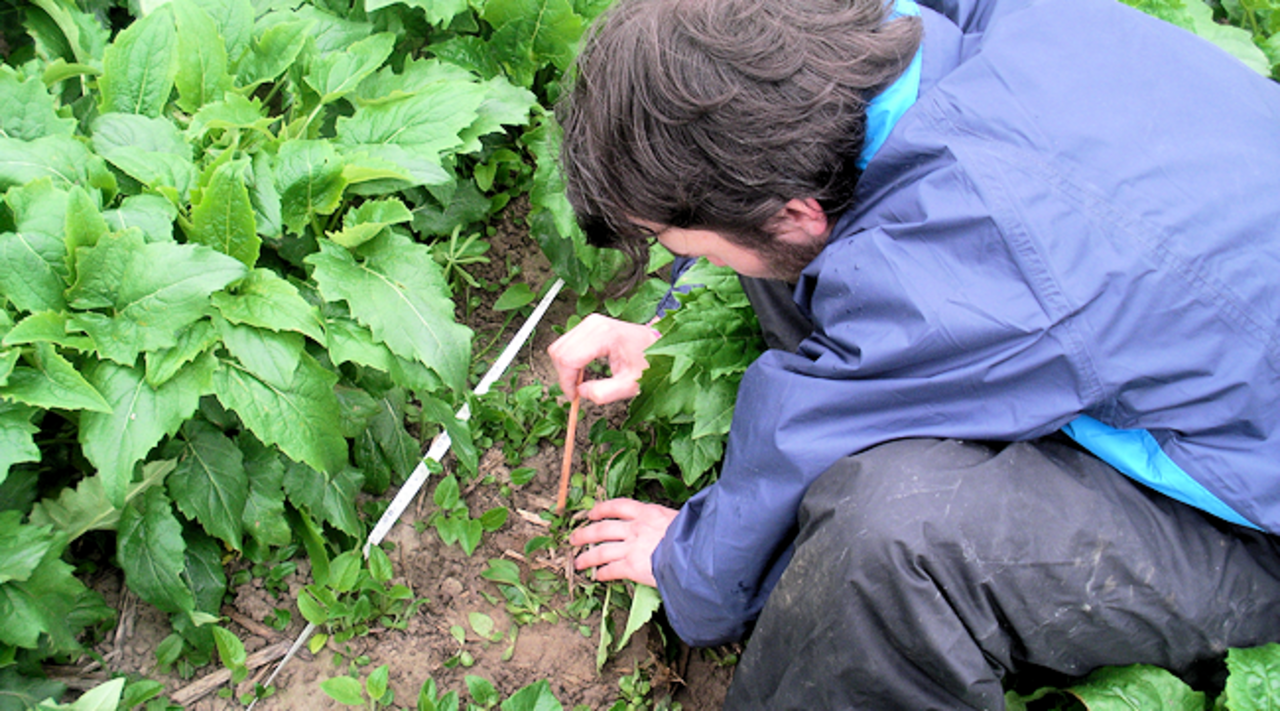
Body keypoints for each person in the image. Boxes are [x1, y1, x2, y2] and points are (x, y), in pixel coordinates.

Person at [545, 0, 1280, 706]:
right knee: (774, 260)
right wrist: (670, 333)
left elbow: (793, 431)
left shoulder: (954, 254)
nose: (678, 257)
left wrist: (692, 568)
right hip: (1197, 331)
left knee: (891, 542)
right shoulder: (943, 28)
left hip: (1252, 525)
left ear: (795, 211)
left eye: (678, 246)